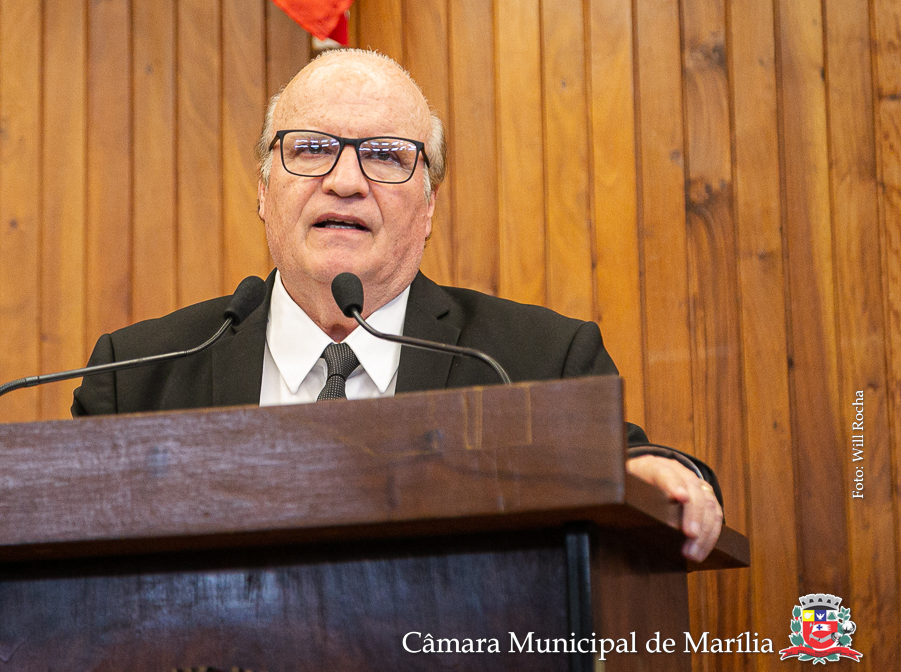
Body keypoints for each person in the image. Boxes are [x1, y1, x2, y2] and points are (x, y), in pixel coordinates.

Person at [73, 48, 724, 562]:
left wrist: (663, 475)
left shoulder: (533, 361)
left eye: (385, 156)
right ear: (264, 190)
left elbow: (639, 471)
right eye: (311, 148)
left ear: (429, 204)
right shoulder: (138, 374)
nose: (345, 181)